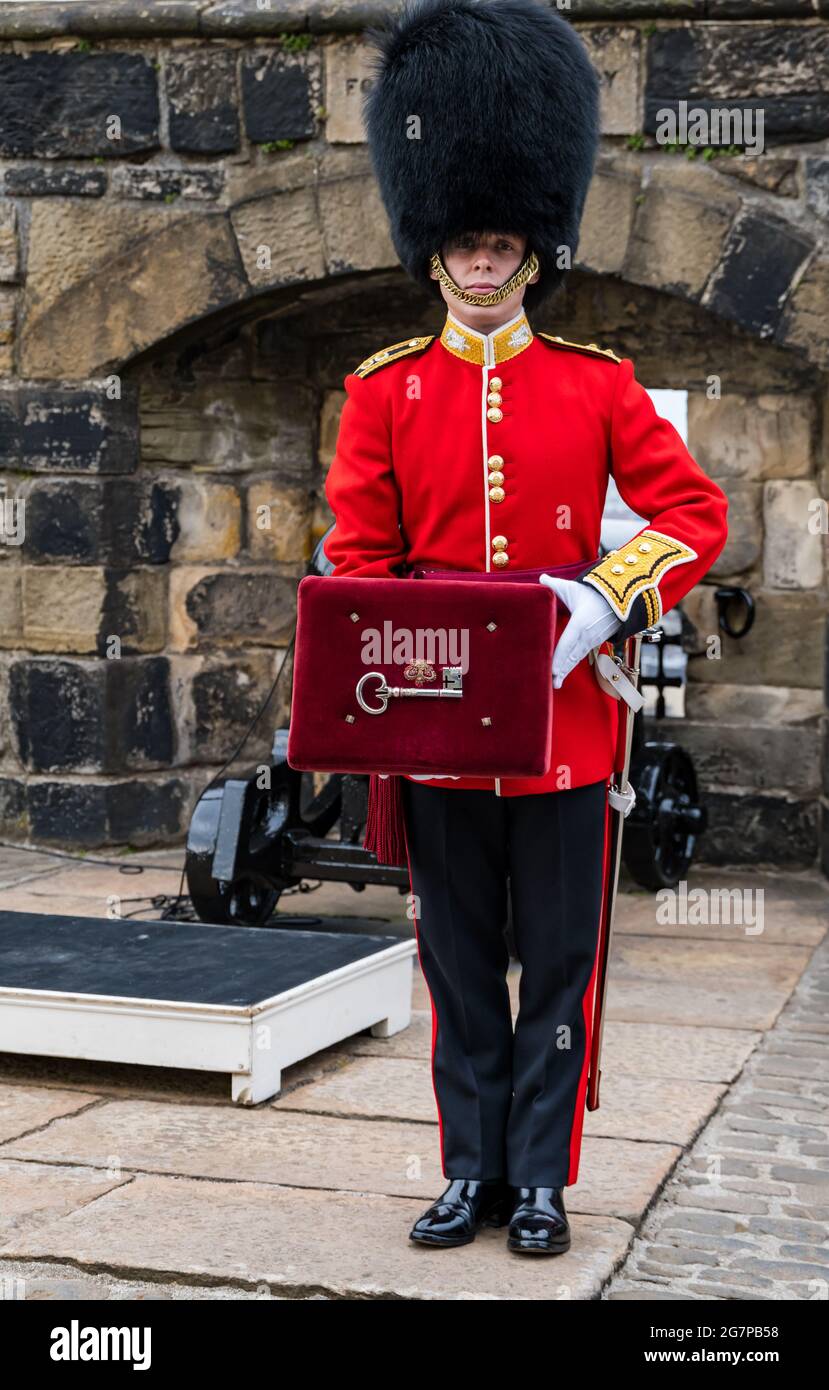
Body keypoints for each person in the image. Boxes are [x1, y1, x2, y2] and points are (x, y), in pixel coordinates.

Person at [322, 0, 728, 1256]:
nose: (483, 259)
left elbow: (693, 513)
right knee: (455, 961)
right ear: (435, 250)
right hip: (441, 728)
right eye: (464, 242)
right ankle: (468, 1170)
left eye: (502, 241)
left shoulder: (596, 383)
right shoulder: (383, 393)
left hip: (567, 723)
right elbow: (355, 558)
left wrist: (602, 598)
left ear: (532, 250)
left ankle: (541, 1175)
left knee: (558, 966)